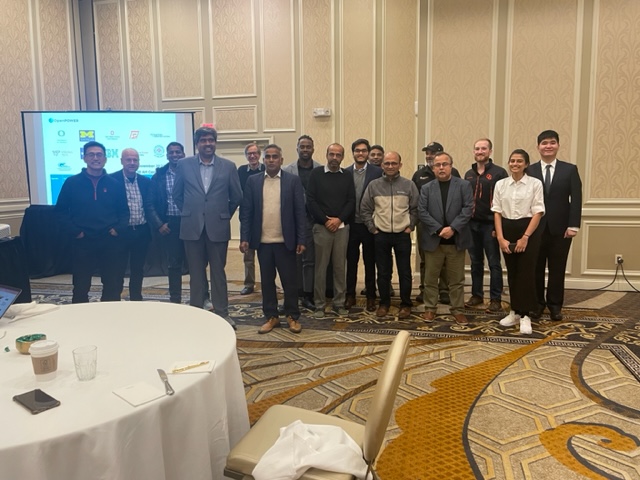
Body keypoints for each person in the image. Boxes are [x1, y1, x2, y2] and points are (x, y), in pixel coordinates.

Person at [172, 126, 243, 326]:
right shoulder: (184, 165)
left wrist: (222, 215)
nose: (207, 144)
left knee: (218, 272)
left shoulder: (228, 166)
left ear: (215, 143)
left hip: (218, 227)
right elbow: (177, 194)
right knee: (195, 273)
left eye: (211, 140)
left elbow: (237, 196)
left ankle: (222, 313)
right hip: (191, 227)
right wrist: (190, 212)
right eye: (203, 140)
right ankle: (196, 312)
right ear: (197, 144)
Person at [239, 144, 306, 334]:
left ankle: (292, 316)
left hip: (286, 242)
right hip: (263, 243)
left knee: (289, 282)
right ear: (263, 160)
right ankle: (271, 316)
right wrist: (245, 237)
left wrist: (301, 239)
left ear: (281, 160)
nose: (271, 160)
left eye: (274, 156)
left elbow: (300, 212)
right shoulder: (253, 181)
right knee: (267, 283)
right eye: (267, 157)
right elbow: (247, 212)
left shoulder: (292, 181)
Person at [55, 141, 129, 303]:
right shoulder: (72, 183)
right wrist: (76, 232)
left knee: (112, 284)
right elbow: (60, 211)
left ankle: (109, 315)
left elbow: (124, 212)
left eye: (99, 155)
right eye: (91, 154)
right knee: (81, 285)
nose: (95, 158)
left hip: (109, 240)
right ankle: (80, 316)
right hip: (83, 240)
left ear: (105, 159)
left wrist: (117, 229)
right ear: (84, 158)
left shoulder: (115, 184)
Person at [528, 130, 582, 320]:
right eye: (544, 143)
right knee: (536, 268)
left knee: (557, 269)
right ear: (538, 147)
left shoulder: (570, 170)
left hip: (561, 229)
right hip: (535, 228)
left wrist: (574, 225)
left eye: (552, 142)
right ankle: (537, 304)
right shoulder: (530, 170)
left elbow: (576, 198)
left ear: (558, 145)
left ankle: (555, 306)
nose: (548, 146)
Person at [492, 149, 545, 334]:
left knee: (526, 273)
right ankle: (514, 311)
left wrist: (525, 237)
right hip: (507, 228)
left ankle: (525, 315)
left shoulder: (535, 184)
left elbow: (538, 212)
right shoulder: (501, 184)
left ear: (526, 164)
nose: (515, 164)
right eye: (512, 161)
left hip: (528, 229)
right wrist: (500, 238)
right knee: (512, 272)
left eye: (519, 161)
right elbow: (497, 212)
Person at [418, 152, 473, 325]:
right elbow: (422, 212)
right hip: (434, 241)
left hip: (456, 241)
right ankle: (430, 308)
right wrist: (439, 229)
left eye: (444, 164)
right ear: (433, 168)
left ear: (451, 166)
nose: (441, 168)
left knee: (456, 280)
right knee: (430, 279)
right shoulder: (427, 188)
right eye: (437, 165)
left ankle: (458, 310)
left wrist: (453, 228)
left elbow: (468, 209)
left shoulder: (463, 185)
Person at [361, 151, 418, 318]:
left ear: (400, 165)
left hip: (402, 234)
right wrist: (373, 229)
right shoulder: (373, 185)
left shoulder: (409, 185)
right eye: (387, 163)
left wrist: (411, 226)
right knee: (383, 272)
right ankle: (384, 303)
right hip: (381, 234)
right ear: (382, 165)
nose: (390, 166)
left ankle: (406, 304)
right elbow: (365, 209)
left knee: (404, 272)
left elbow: (416, 208)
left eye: (394, 163)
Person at [306, 143, 355, 318]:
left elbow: (351, 201)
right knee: (320, 268)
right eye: (331, 154)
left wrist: (339, 219)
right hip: (322, 227)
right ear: (326, 155)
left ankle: (339, 303)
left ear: (342, 157)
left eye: (338, 155)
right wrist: (326, 221)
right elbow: (311, 200)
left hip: (341, 228)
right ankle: (319, 305)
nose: (334, 158)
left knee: (340, 268)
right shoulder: (316, 174)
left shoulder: (347, 175)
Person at [110, 148, 162, 301]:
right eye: (128, 160)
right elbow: (107, 207)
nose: (132, 163)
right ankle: (115, 299)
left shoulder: (146, 181)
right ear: (121, 161)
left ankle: (136, 298)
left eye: (135, 160)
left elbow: (150, 205)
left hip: (141, 231)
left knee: (138, 269)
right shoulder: (111, 180)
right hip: (120, 233)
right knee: (117, 269)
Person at [412, 141, 460, 305]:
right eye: (427, 153)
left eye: (432, 153)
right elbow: (415, 200)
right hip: (425, 224)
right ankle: (424, 289)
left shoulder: (454, 173)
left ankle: (444, 290)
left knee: (446, 258)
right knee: (425, 258)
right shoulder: (419, 174)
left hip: (447, 224)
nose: (429, 156)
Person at [464, 138, 508, 313]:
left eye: (483, 148)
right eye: (477, 149)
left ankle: (496, 299)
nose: (480, 151)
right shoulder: (469, 174)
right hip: (471, 224)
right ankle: (477, 295)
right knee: (475, 262)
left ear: (490, 151)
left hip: (490, 225)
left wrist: (498, 228)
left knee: (494, 263)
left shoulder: (499, 173)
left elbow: (504, 201)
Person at [283, 135, 322, 310]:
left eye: (308, 147)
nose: (305, 149)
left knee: (309, 260)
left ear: (313, 149)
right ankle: (293, 294)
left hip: (313, 221)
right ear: (297, 149)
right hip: (292, 222)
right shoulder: (287, 170)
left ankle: (307, 295)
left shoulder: (321, 169)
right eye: (302, 146)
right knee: (291, 261)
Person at [345, 139, 382, 312]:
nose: (360, 153)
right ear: (353, 153)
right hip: (351, 224)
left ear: (367, 153)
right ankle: (350, 295)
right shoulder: (345, 173)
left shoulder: (377, 172)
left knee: (370, 262)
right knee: (351, 262)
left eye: (363, 150)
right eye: (357, 150)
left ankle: (371, 297)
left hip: (370, 224)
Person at [152, 141, 186, 304]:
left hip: (190, 222)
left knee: (197, 263)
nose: (174, 155)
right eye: (171, 152)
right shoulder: (159, 176)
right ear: (166, 155)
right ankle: (175, 299)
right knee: (174, 264)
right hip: (170, 224)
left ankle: (202, 297)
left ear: (183, 154)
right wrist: (159, 223)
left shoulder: (191, 172)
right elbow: (151, 203)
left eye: (178, 152)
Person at [238, 142, 265, 295]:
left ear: (259, 155)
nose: (252, 156)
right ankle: (249, 284)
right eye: (249, 153)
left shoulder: (266, 169)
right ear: (246, 156)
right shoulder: (241, 171)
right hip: (247, 217)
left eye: (255, 153)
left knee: (266, 253)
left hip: (264, 217)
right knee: (248, 254)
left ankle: (268, 282)